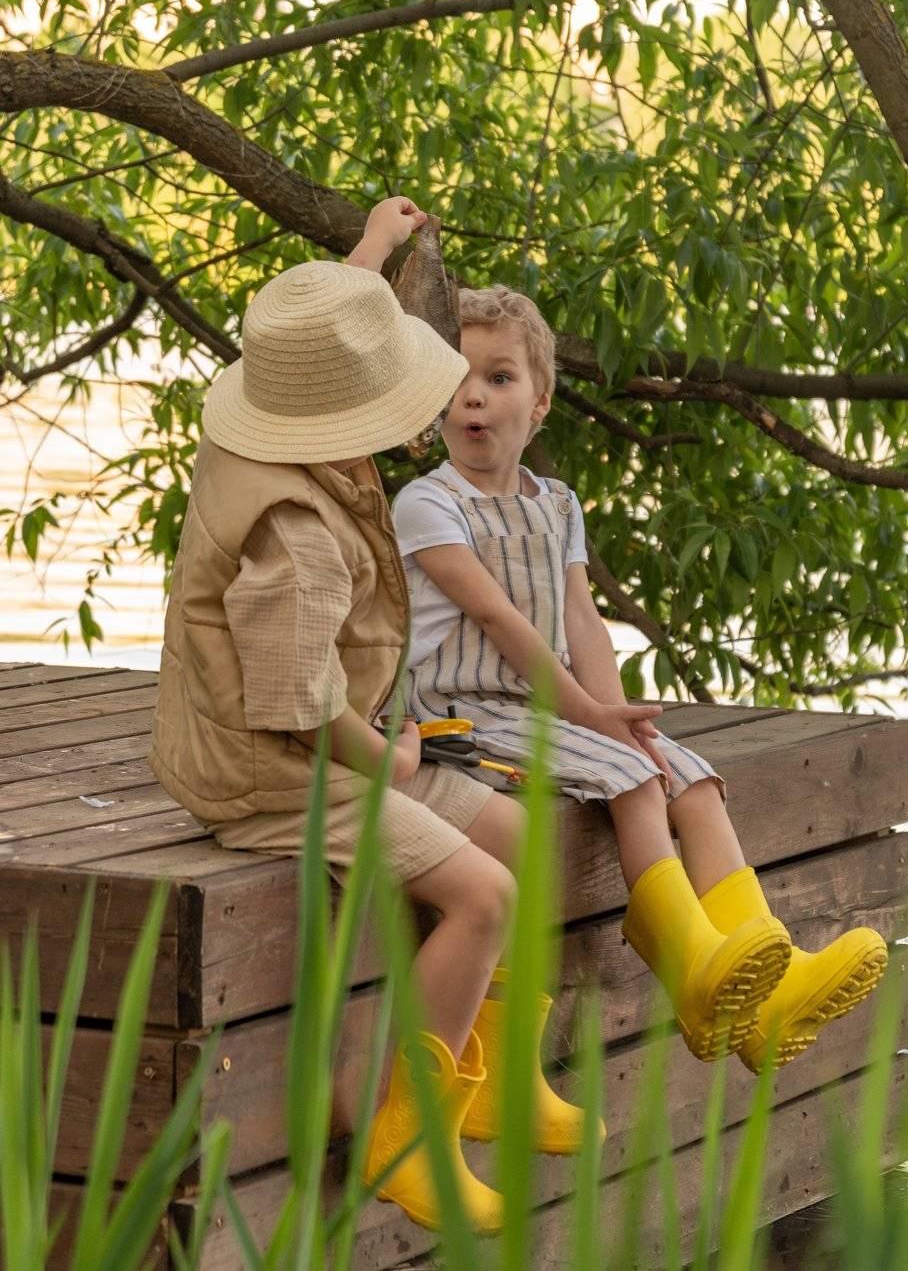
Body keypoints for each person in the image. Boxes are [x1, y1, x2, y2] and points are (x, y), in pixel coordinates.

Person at [149, 204, 585, 1238]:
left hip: (319, 742)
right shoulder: (295, 534)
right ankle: (406, 1131)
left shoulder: (266, 412)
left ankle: (494, 1076)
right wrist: (386, 758)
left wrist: (375, 249)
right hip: (271, 771)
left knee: (526, 841)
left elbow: (313, 336)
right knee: (482, 895)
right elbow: (295, 709)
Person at [391, 283, 889, 1073]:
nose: (472, 396)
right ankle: (691, 971)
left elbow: (581, 619)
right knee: (629, 779)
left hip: (542, 703)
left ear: (540, 401)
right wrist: (588, 717)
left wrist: (618, 716)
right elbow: (496, 619)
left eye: (497, 377)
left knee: (686, 778)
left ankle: (769, 992)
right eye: (456, 379)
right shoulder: (427, 502)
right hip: (462, 711)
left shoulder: (556, 504)